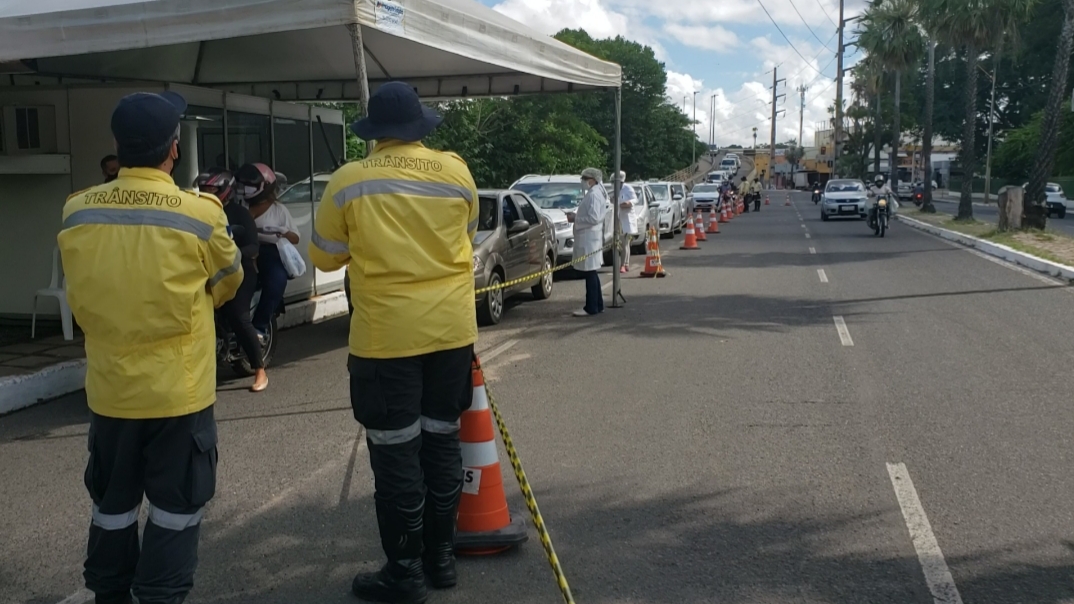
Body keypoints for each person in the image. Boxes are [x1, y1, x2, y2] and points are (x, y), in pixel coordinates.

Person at [57, 91, 242, 604]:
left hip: (111, 394)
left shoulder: (77, 212)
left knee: (112, 506)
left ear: (119, 147)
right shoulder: (199, 213)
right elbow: (228, 281)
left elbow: (81, 293)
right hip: (178, 396)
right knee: (177, 508)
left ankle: (109, 595)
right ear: (173, 149)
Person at [308, 81, 479, 603]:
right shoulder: (456, 171)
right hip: (451, 332)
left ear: (374, 134)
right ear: (419, 129)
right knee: (442, 441)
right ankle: (441, 559)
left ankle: (404, 573)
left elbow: (324, 256)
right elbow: (467, 234)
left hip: (386, 339)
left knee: (396, 453)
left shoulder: (349, 179)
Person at [195, 168, 269, 392]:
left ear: (226, 191)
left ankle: (260, 370)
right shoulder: (197, 212)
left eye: (213, 190)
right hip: (207, 272)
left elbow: (254, 247)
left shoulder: (239, 214)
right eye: (204, 190)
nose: (208, 194)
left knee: (239, 316)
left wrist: (232, 251)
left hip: (239, 272)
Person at [235, 163, 299, 335]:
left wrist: (282, 231)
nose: (246, 190)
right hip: (242, 251)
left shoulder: (279, 210)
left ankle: (259, 327)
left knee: (277, 280)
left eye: (250, 186)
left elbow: (296, 238)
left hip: (269, 252)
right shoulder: (239, 206)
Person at [574, 167, 608, 317]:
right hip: (590, 238)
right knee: (592, 272)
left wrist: (574, 219)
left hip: (589, 238)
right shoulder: (595, 193)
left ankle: (591, 306)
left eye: (584, 178)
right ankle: (598, 304)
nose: (583, 182)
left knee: (590, 273)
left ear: (592, 180)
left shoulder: (594, 194)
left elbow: (593, 218)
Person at [616, 171, 638, 273]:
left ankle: (623, 265)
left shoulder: (628, 188)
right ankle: (626, 263)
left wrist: (628, 202)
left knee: (625, 243)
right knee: (624, 243)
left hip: (628, 218)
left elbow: (635, 199)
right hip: (619, 218)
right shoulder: (615, 188)